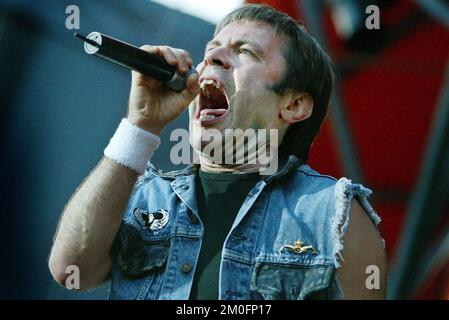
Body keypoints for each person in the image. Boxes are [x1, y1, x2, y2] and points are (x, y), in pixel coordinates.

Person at [49, 4, 386, 299]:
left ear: (294, 104)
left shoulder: (332, 215)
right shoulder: (146, 200)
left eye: (246, 52)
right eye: (212, 49)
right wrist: (141, 126)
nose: (212, 58)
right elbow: (71, 269)